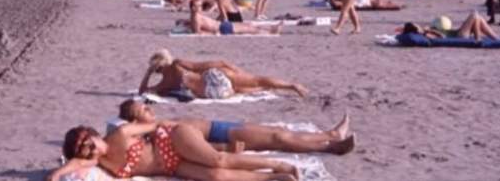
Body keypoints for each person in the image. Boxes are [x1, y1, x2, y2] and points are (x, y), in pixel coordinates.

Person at [48, 122, 299, 181]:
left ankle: (280, 165)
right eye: (82, 148)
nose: (88, 147)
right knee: (217, 177)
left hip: (173, 141)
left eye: (87, 140)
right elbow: (73, 167)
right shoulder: (101, 166)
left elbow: (158, 124)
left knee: (218, 159)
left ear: (94, 134)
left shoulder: (120, 134)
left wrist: (184, 129)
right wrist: (55, 175)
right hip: (172, 166)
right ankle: (272, 178)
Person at [118, 100, 355, 156]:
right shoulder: (154, 132)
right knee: (277, 137)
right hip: (220, 134)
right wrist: (224, 148)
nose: (150, 109)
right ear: (136, 121)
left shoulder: (155, 125)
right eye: (144, 110)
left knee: (277, 131)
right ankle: (330, 146)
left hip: (219, 127)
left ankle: (330, 135)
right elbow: (190, 146)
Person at [138, 49, 307, 100]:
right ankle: (291, 86)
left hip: (213, 93)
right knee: (256, 79)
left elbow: (143, 92)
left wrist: (147, 74)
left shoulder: (165, 84)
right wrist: (229, 66)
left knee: (239, 90)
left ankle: (264, 89)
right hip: (213, 76)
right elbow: (204, 66)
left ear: (156, 70)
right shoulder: (178, 64)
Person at [188, 0, 281, 35]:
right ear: (193, 7)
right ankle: (271, 31)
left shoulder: (196, 16)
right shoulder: (196, 18)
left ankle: (272, 27)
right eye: (198, 6)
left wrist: (184, 22)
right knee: (249, 29)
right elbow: (197, 32)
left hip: (222, 25)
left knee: (248, 24)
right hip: (222, 28)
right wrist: (213, 33)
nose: (201, 7)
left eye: (201, 5)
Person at [398, 12, 499, 42]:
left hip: (457, 32)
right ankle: (478, 39)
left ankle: (495, 38)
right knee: (474, 16)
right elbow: (442, 37)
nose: (419, 25)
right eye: (417, 25)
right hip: (458, 36)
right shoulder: (425, 34)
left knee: (479, 18)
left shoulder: (425, 30)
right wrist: (429, 31)